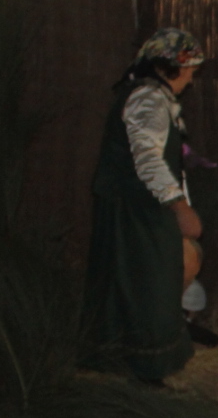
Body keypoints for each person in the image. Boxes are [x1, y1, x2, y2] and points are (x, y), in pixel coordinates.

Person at [83, 27, 208, 383]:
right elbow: (149, 159)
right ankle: (141, 366)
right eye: (189, 70)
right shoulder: (147, 100)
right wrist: (179, 206)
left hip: (143, 207)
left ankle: (142, 362)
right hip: (134, 210)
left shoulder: (154, 98)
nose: (190, 78)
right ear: (171, 67)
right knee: (145, 284)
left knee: (156, 277)